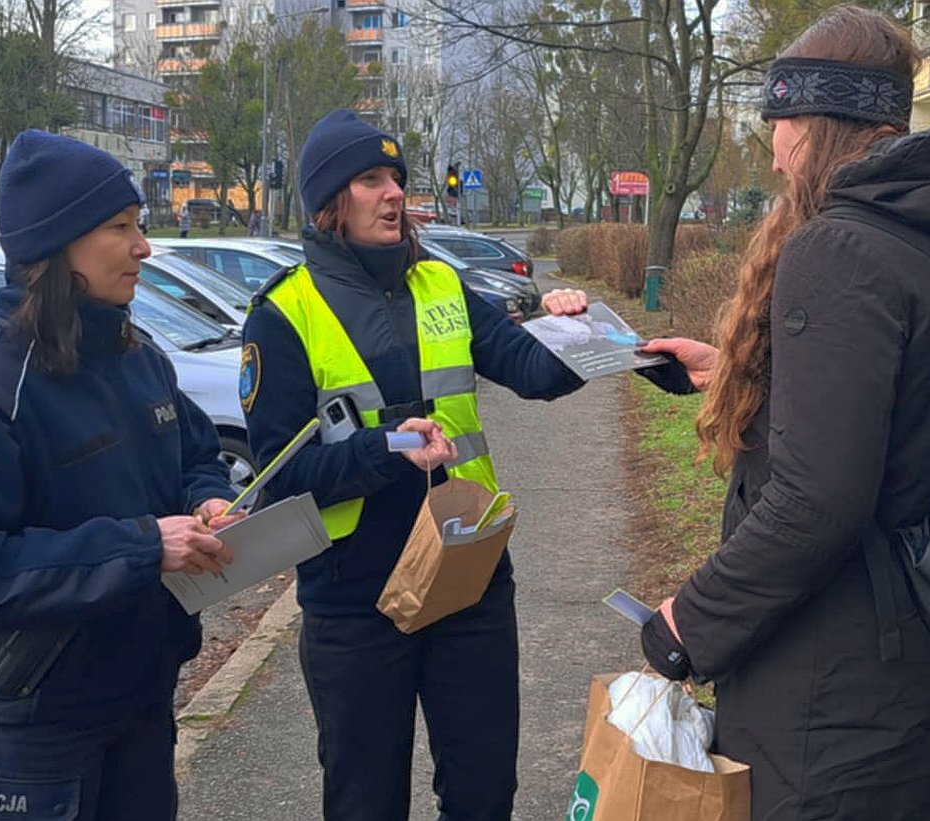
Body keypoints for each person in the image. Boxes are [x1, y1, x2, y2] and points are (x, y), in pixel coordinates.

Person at [635, 7, 930, 820]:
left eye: (777, 120)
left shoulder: (839, 249)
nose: (773, 145)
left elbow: (818, 501)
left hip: (837, 691)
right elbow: (912, 404)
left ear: (816, 122)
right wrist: (740, 375)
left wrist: (688, 623)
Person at [239, 109, 683, 821]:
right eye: (369, 179)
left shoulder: (440, 285)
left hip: (469, 581)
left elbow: (531, 370)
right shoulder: (283, 314)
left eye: (397, 179)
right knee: (365, 801)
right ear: (329, 203)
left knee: (482, 795)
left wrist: (575, 328)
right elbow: (278, 478)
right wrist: (384, 449)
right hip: (356, 602)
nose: (393, 194)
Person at [0, 130, 243, 821]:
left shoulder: (133, 354)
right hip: (33, 731)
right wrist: (143, 547)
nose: (143, 245)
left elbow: (197, 453)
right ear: (57, 247)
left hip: (140, 702)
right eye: (120, 226)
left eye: (138, 224)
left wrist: (209, 498)